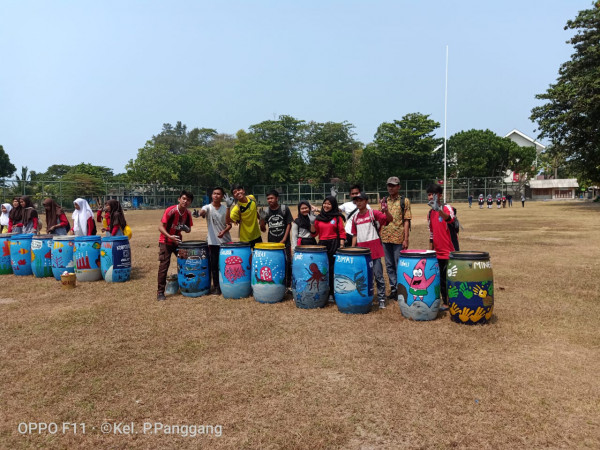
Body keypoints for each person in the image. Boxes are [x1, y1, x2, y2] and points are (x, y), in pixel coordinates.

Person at [351, 192, 393, 309]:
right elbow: (354, 235)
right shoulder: (355, 218)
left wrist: (386, 211)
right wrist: (353, 250)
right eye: (356, 200)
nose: (358, 202)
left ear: (366, 201)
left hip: (374, 250)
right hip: (361, 252)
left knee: (378, 275)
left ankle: (381, 299)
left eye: (361, 200)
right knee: (363, 276)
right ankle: (365, 297)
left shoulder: (373, 213)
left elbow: (389, 220)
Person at [157, 190, 194, 301]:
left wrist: (186, 229)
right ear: (179, 199)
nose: (185, 201)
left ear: (190, 202)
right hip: (166, 242)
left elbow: (189, 230)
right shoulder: (171, 210)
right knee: (164, 266)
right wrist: (170, 236)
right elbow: (160, 227)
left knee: (186, 263)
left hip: (178, 242)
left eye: (188, 200)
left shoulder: (187, 213)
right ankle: (160, 292)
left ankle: (186, 286)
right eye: (183, 198)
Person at [426, 183, 458, 311]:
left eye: (432, 194)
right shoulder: (429, 213)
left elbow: (450, 219)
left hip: (450, 252)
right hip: (437, 253)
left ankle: (452, 301)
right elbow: (432, 233)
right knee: (440, 279)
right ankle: (445, 302)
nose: (430, 197)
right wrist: (430, 251)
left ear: (439, 195)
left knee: (451, 278)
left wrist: (438, 209)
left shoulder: (446, 208)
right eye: (428, 195)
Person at [379, 176, 412, 300]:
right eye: (389, 185)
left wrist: (406, 239)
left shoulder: (404, 201)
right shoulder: (383, 201)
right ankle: (393, 288)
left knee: (399, 264)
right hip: (385, 237)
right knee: (389, 265)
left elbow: (406, 220)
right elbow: (380, 219)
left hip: (398, 238)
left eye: (393, 185)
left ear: (399, 186)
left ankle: (401, 288)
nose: (390, 188)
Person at [200, 187, 232, 295]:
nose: (216, 195)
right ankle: (217, 287)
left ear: (222, 196)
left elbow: (229, 224)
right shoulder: (208, 207)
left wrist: (224, 231)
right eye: (214, 193)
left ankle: (227, 285)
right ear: (211, 195)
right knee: (213, 265)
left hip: (225, 242)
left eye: (218, 194)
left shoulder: (225, 209)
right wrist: (199, 213)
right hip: (213, 242)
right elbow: (203, 211)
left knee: (224, 265)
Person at [313, 196, 346, 301]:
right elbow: (315, 233)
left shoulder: (337, 217)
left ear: (333, 205)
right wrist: (311, 222)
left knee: (332, 269)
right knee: (323, 269)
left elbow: (342, 232)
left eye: (329, 204)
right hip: (322, 245)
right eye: (325, 203)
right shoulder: (318, 218)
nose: (326, 206)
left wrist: (341, 246)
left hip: (334, 244)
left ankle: (332, 293)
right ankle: (323, 292)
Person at [259, 190, 294, 288]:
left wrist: (284, 239)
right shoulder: (266, 211)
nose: (270, 200)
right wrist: (262, 219)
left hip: (285, 242)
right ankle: (276, 281)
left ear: (277, 198)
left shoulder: (284, 209)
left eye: (272, 198)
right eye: (268, 198)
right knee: (274, 262)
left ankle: (288, 284)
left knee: (287, 262)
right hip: (272, 243)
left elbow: (288, 224)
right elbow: (263, 229)